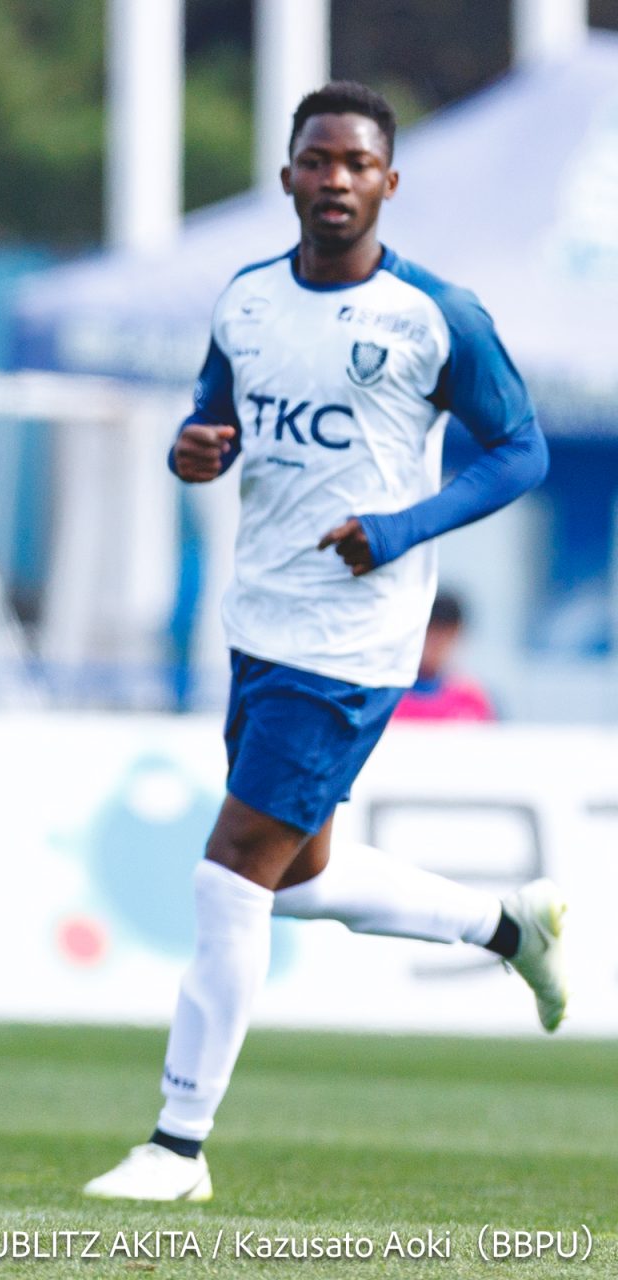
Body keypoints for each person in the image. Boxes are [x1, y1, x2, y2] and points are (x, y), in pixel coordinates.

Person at [84, 82, 563, 1203]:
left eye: (356, 163)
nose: (335, 179)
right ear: (289, 175)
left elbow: (522, 451)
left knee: (231, 867)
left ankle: (177, 1146)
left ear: (388, 182)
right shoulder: (247, 299)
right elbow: (211, 419)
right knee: (296, 875)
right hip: (258, 619)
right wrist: (193, 449)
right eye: (317, 159)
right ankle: (509, 927)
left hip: (355, 641)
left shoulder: (436, 315)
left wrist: (400, 528)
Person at [395, 591, 496, 721]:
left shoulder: (471, 700)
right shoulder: (390, 698)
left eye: (446, 634)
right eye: (431, 632)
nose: (437, 643)